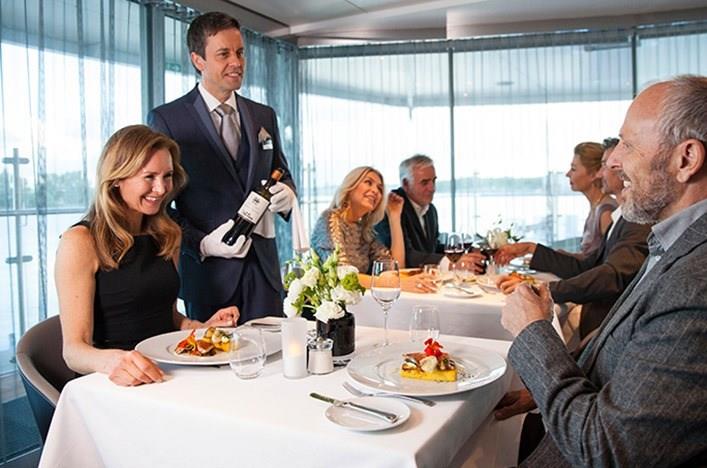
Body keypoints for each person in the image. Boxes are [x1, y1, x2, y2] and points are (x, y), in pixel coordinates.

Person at [496, 75, 707, 466]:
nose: (614, 161)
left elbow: (606, 448)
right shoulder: (674, 243)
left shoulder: (697, 281)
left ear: (686, 159)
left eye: (628, 144)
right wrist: (543, 391)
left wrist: (532, 331)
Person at [56, 125, 239, 387]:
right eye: (149, 177)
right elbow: (74, 352)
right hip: (113, 380)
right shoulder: (80, 241)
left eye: (167, 176)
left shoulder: (167, 234)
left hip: (166, 371)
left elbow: (167, 316)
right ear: (116, 178)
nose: (162, 188)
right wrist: (116, 362)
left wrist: (198, 328)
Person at [148, 12, 295, 324]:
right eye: (224, 54)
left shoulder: (264, 115)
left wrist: (288, 194)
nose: (236, 63)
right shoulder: (168, 119)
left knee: (275, 352)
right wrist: (201, 243)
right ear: (198, 60)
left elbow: (281, 172)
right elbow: (158, 206)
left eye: (240, 52)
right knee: (214, 355)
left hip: (264, 272)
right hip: (209, 276)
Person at [494, 138, 650, 339]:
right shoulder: (620, 218)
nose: (600, 173)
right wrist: (531, 249)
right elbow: (586, 266)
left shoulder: (636, 221)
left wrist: (544, 290)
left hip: (604, 326)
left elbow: (612, 276)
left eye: (605, 165)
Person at [311, 166, 436, 293]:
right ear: (350, 187)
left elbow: (393, 267)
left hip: (356, 300)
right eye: (368, 182)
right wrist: (395, 283)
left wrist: (394, 217)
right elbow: (342, 275)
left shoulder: (364, 230)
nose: (375, 191)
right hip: (329, 303)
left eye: (380, 188)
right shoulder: (330, 219)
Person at [375, 154, 485, 271]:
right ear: (405, 184)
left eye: (433, 181)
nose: (432, 188)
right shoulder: (391, 207)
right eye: (424, 182)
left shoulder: (431, 210)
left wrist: (467, 253)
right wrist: (448, 263)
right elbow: (406, 256)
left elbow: (432, 249)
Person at [567, 142, 618, 256]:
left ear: (594, 174)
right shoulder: (597, 206)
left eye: (573, 169)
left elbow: (609, 260)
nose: (567, 174)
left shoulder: (606, 213)